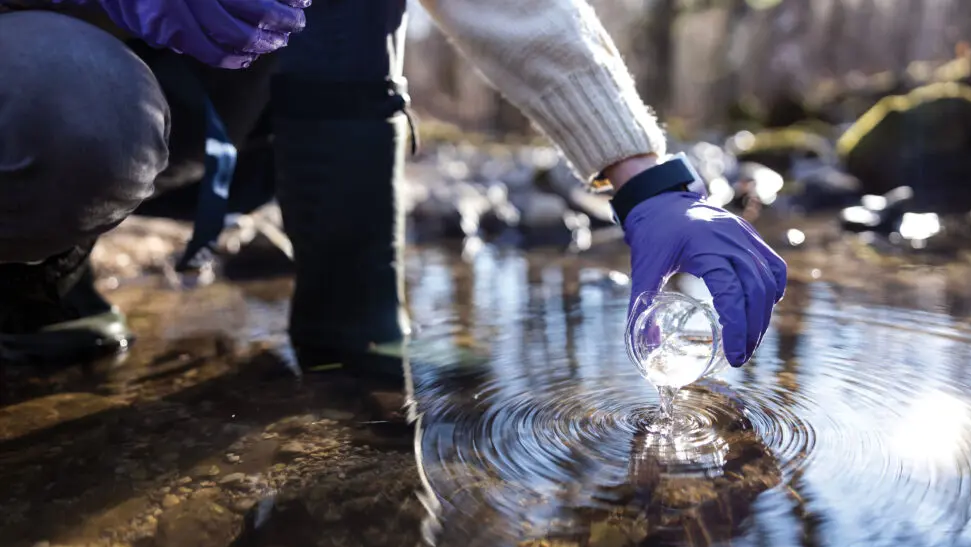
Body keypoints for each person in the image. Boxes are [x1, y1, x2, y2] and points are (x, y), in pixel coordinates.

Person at [0, 0, 786, 384]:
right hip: (44, 72)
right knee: (67, 104)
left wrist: (645, 179)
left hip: (188, 120)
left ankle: (354, 338)